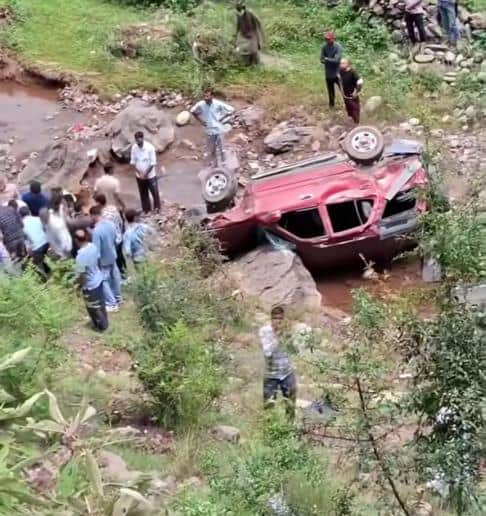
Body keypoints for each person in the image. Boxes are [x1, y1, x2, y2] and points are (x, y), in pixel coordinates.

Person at [259, 305, 296, 419]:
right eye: (275, 318)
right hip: (271, 375)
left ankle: (289, 427)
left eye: (280, 318)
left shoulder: (287, 331)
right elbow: (267, 353)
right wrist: (278, 336)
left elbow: (294, 351)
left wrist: (290, 337)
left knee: (290, 406)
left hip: (287, 373)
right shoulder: (265, 331)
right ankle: (269, 429)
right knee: (268, 407)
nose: (278, 321)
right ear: (271, 319)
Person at [74, 229, 109, 332]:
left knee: (93, 307)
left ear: (76, 240)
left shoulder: (80, 257)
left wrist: (79, 286)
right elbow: (98, 260)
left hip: (90, 285)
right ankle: (105, 321)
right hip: (98, 278)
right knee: (101, 303)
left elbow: (81, 275)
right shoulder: (93, 246)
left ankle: (101, 327)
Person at [90, 204, 122, 312]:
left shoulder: (96, 231)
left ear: (93, 215)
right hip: (113, 255)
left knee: (103, 280)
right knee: (115, 277)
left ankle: (111, 303)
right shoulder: (111, 224)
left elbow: (97, 251)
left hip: (103, 260)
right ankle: (117, 298)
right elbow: (116, 240)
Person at [191, 89, 235, 167]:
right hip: (209, 129)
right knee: (211, 149)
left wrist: (222, 118)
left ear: (212, 96)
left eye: (207, 96)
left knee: (222, 148)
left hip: (219, 129)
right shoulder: (201, 104)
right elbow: (193, 111)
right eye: (204, 96)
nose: (205, 98)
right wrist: (201, 121)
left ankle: (224, 163)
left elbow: (231, 110)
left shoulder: (217, 103)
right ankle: (214, 164)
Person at [93, 192, 127, 280]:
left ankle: (121, 277)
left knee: (116, 259)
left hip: (113, 240)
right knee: (121, 256)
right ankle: (125, 273)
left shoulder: (103, 216)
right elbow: (121, 221)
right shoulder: (113, 208)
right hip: (119, 235)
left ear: (98, 203)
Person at [130, 132, 161, 214]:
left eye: (140, 139)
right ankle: (146, 210)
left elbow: (153, 163)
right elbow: (133, 162)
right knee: (143, 193)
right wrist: (139, 173)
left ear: (143, 138)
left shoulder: (150, 148)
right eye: (137, 140)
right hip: (139, 175)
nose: (138, 141)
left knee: (154, 192)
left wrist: (145, 174)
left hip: (150, 176)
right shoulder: (134, 148)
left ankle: (157, 209)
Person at [19, 206, 50, 278]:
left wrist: (30, 251)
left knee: (37, 265)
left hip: (36, 248)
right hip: (46, 243)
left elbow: (26, 241)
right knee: (49, 259)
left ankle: (45, 277)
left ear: (20, 215)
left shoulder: (22, 226)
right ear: (29, 212)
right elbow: (45, 229)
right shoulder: (37, 219)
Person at [40, 194, 72, 258]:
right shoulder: (58, 222)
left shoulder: (50, 215)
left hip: (56, 248)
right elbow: (66, 244)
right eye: (65, 205)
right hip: (63, 251)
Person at [235, 1, 264, 66]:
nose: (240, 13)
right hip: (244, 34)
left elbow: (258, 24)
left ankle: (256, 63)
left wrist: (259, 38)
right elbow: (238, 26)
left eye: (240, 11)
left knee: (253, 50)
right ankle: (246, 63)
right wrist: (236, 35)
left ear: (243, 9)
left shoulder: (250, 13)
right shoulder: (239, 15)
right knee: (243, 49)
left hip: (252, 32)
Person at [320, 31, 343, 109]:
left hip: (337, 72)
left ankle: (349, 103)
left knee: (343, 89)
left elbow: (337, 60)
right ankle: (331, 106)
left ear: (333, 38)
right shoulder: (324, 47)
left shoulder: (338, 47)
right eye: (326, 39)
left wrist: (327, 59)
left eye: (328, 39)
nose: (327, 41)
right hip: (328, 72)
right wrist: (329, 59)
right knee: (330, 91)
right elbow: (321, 59)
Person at [339, 58, 363, 124]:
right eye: (340, 63)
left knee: (355, 108)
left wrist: (356, 91)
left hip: (352, 94)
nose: (341, 65)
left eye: (343, 63)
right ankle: (351, 121)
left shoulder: (352, 72)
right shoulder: (340, 71)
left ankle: (357, 123)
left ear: (348, 64)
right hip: (345, 94)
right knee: (349, 108)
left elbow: (360, 81)